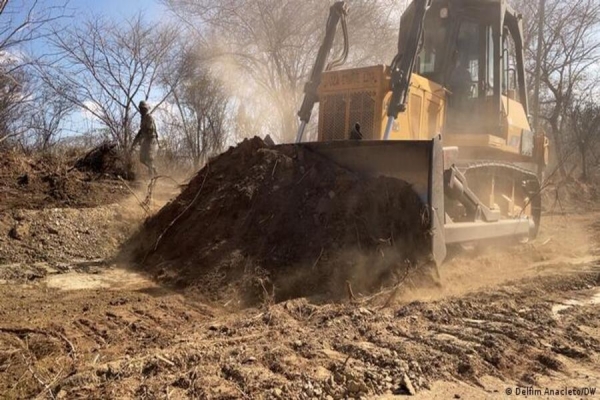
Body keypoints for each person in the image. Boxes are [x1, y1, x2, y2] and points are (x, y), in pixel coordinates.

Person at [132, 100, 158, 178]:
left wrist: (141, 138)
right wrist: (135, 141)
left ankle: (152, 177)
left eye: (143, 108)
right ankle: (154, 169)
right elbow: (141, 131)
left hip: (151, 140)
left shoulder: (149, 117)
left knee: (149, 159)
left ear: (146, 109)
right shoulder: (143, 118)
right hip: (146, 140)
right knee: (142, 159)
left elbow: (149, 129)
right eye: (140, 109)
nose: (141, 110)